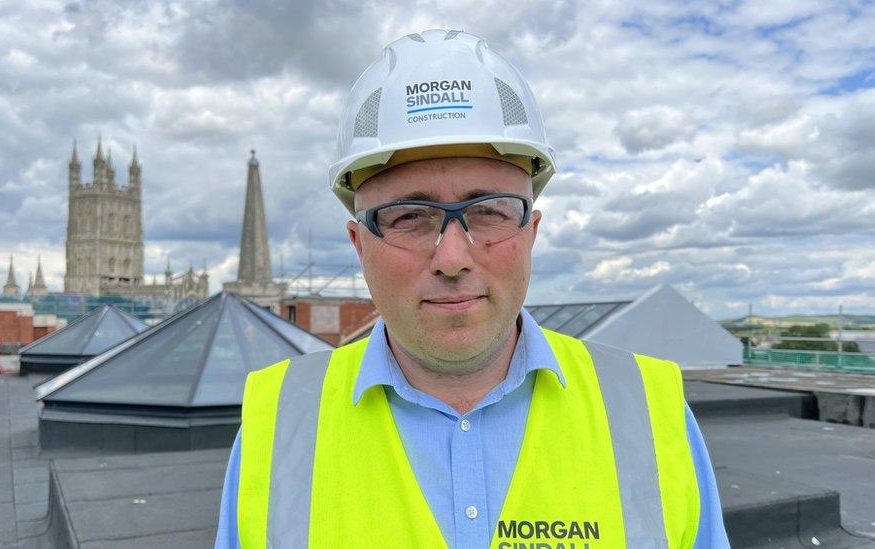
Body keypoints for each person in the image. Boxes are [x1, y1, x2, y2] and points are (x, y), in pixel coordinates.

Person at [216, 29, 728, 548]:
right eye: (409, 216)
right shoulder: (280, 424)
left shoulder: (647, 411)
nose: (452, 258)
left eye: (488, 211)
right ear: (358, 243)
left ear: (531, 232)